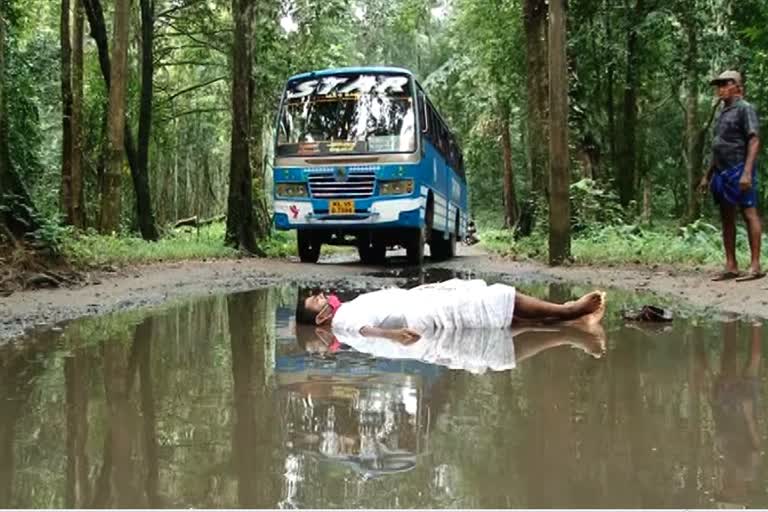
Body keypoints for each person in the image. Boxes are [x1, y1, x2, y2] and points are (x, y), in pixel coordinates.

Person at [295, 278, 606, 344]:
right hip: (425, 315)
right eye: (316, 301)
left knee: (505, 321)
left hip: (421, 303)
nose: (321, 295)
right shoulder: (342, 321)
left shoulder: (346, 308)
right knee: (494, 299)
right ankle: (569, 314)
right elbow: (364, 330)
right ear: (322, 317)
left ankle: (565, 321)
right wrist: (391, 335)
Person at [698, 70, 764, 282]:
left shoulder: (745, 109)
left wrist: (746, 172)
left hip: (739, 168)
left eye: (726, 84)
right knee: (726, 217)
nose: (721, 89)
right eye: (719, 85)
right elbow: (717, 147)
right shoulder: (722, 112)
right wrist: (707, 176)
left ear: (737, 86)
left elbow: (754, 140)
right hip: (721, 171)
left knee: (748, 213)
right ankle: (731, 265)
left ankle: (755, 266)